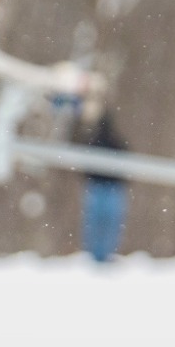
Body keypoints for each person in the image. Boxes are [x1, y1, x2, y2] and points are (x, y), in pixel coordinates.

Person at [73, 95, 127, 264]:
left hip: (107, 188)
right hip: (100, 187)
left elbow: (126, 164)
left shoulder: (111, 142)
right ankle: (96, 255)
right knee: (98, 224)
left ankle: (102, 254)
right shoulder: (95, 141)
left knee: (104, 224)